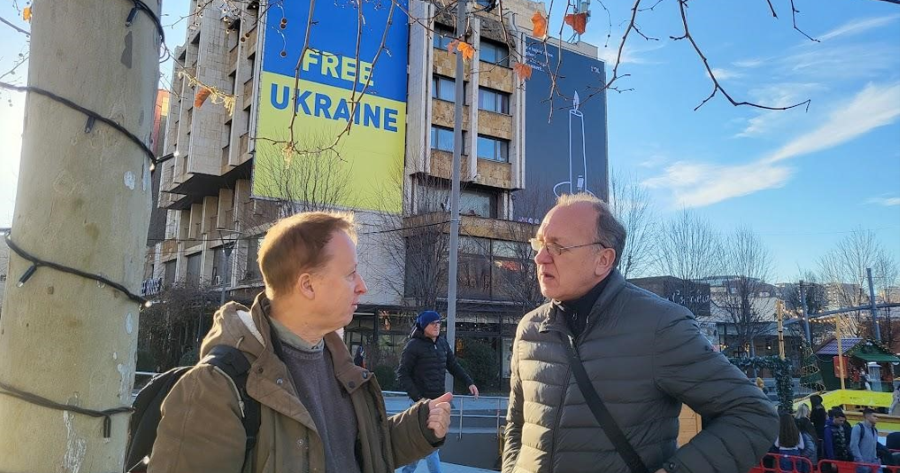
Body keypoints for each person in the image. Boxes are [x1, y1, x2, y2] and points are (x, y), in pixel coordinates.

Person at [148, 212, 452, 473]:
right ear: (307, 285)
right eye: (350, 274)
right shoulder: (215, 388)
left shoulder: (341, 367)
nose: (362, 286)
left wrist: (417, 427)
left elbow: (352, 455)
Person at [502, 193, 778, 473]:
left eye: (557, 247)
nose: (539, 257)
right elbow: (517, 425)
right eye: (539, 243)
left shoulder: (660, 325)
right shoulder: (530, 329)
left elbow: (753, 414)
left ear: (603, 259)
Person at [397, 310, 479, 473]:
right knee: (431, 444)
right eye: (432, 323)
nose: (436, 326)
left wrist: (469, 382)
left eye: (438, 323)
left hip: (439, 401)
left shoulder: (442, 343)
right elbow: (402, 374)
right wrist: (418, 398)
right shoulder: (414, 346)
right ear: (423, 326)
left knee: (424, 443)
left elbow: (453, 365)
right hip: (421, 403)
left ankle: (407, 471)